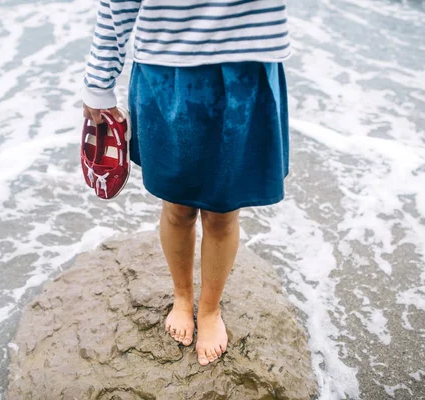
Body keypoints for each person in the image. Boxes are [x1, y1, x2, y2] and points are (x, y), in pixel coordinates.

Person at [82, 0, 290, 366]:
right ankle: (182, 296)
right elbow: (116, 7)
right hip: (167, 69)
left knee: (223, 210)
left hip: (245, 66)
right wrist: (99, 83)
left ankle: (209, 310)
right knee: (177, 206)